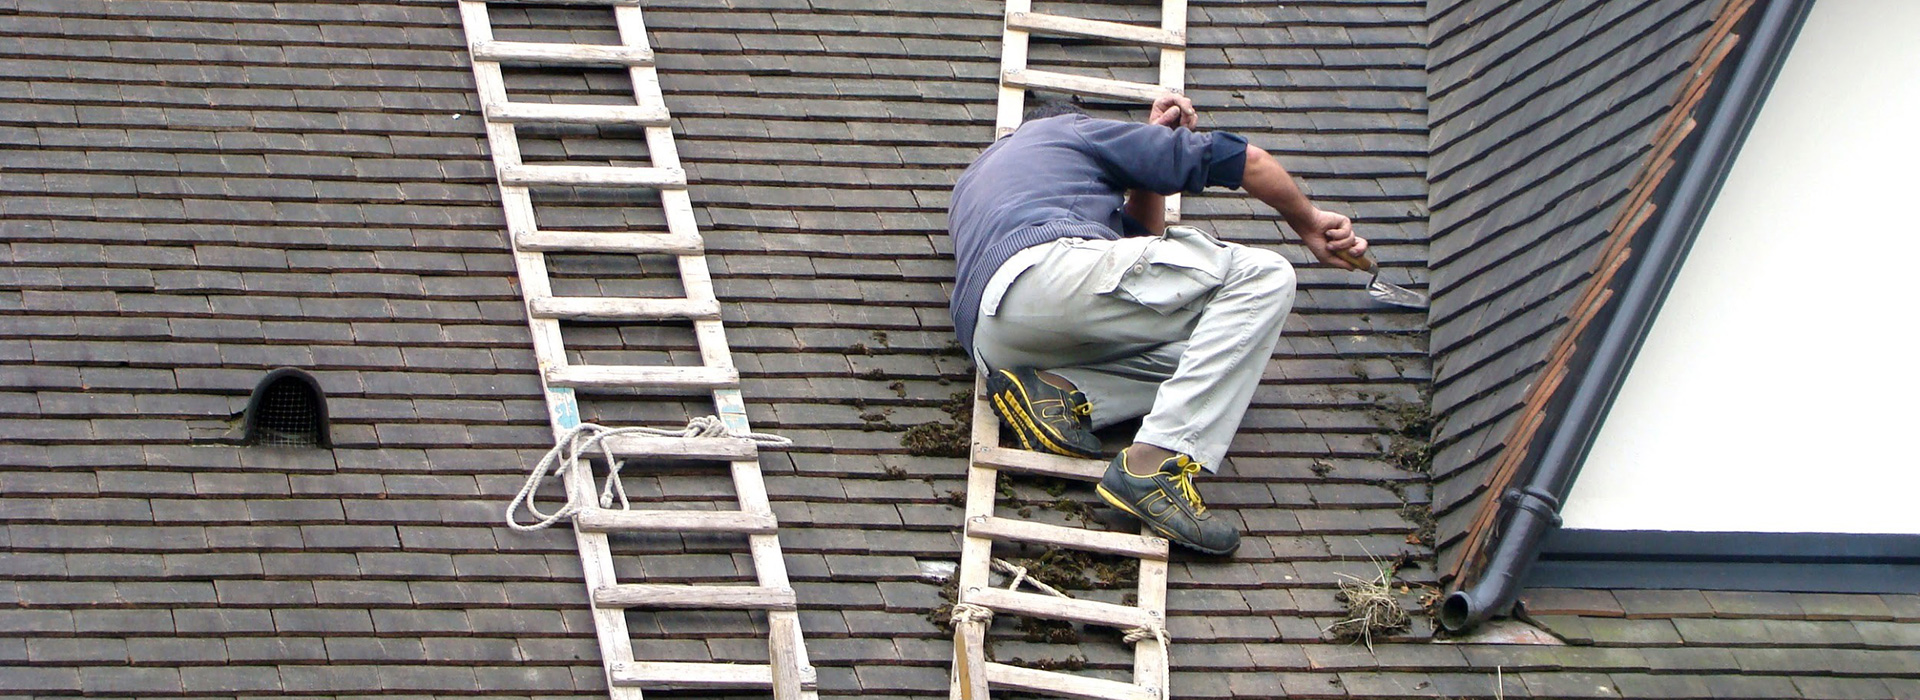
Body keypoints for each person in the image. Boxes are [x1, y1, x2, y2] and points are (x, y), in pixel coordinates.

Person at [946, 94, 1367, 555]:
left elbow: (1137, 256)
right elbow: (1243, 159)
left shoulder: (975, 181)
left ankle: (1060, 390)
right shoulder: (1071, 130)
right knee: (1264, 277)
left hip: (995, 340)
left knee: (1224, 349)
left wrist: (1146, 169)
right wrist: (1308, 221)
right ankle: (1153, 465)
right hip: (1049, 273)